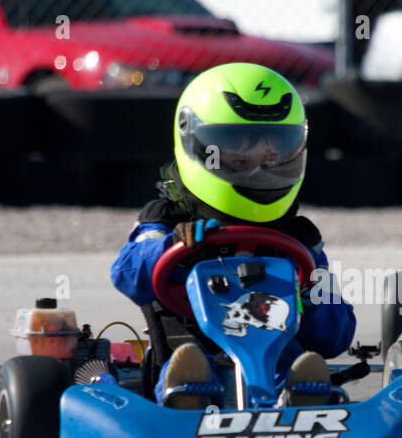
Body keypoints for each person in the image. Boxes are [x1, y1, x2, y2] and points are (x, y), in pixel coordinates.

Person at [110, 62, 355, 409]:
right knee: (190, 364)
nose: (258, 167)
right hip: (191, 350)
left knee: (290, 362)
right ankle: (188, 398)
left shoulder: (300, 240)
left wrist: (310, 298)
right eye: (240, 155)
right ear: (195, 142)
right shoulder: (165, 220)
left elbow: (337, 335)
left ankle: (300, 397)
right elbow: (127, 273)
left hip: (275, 358)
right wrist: (174, 246)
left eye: (272, 154)